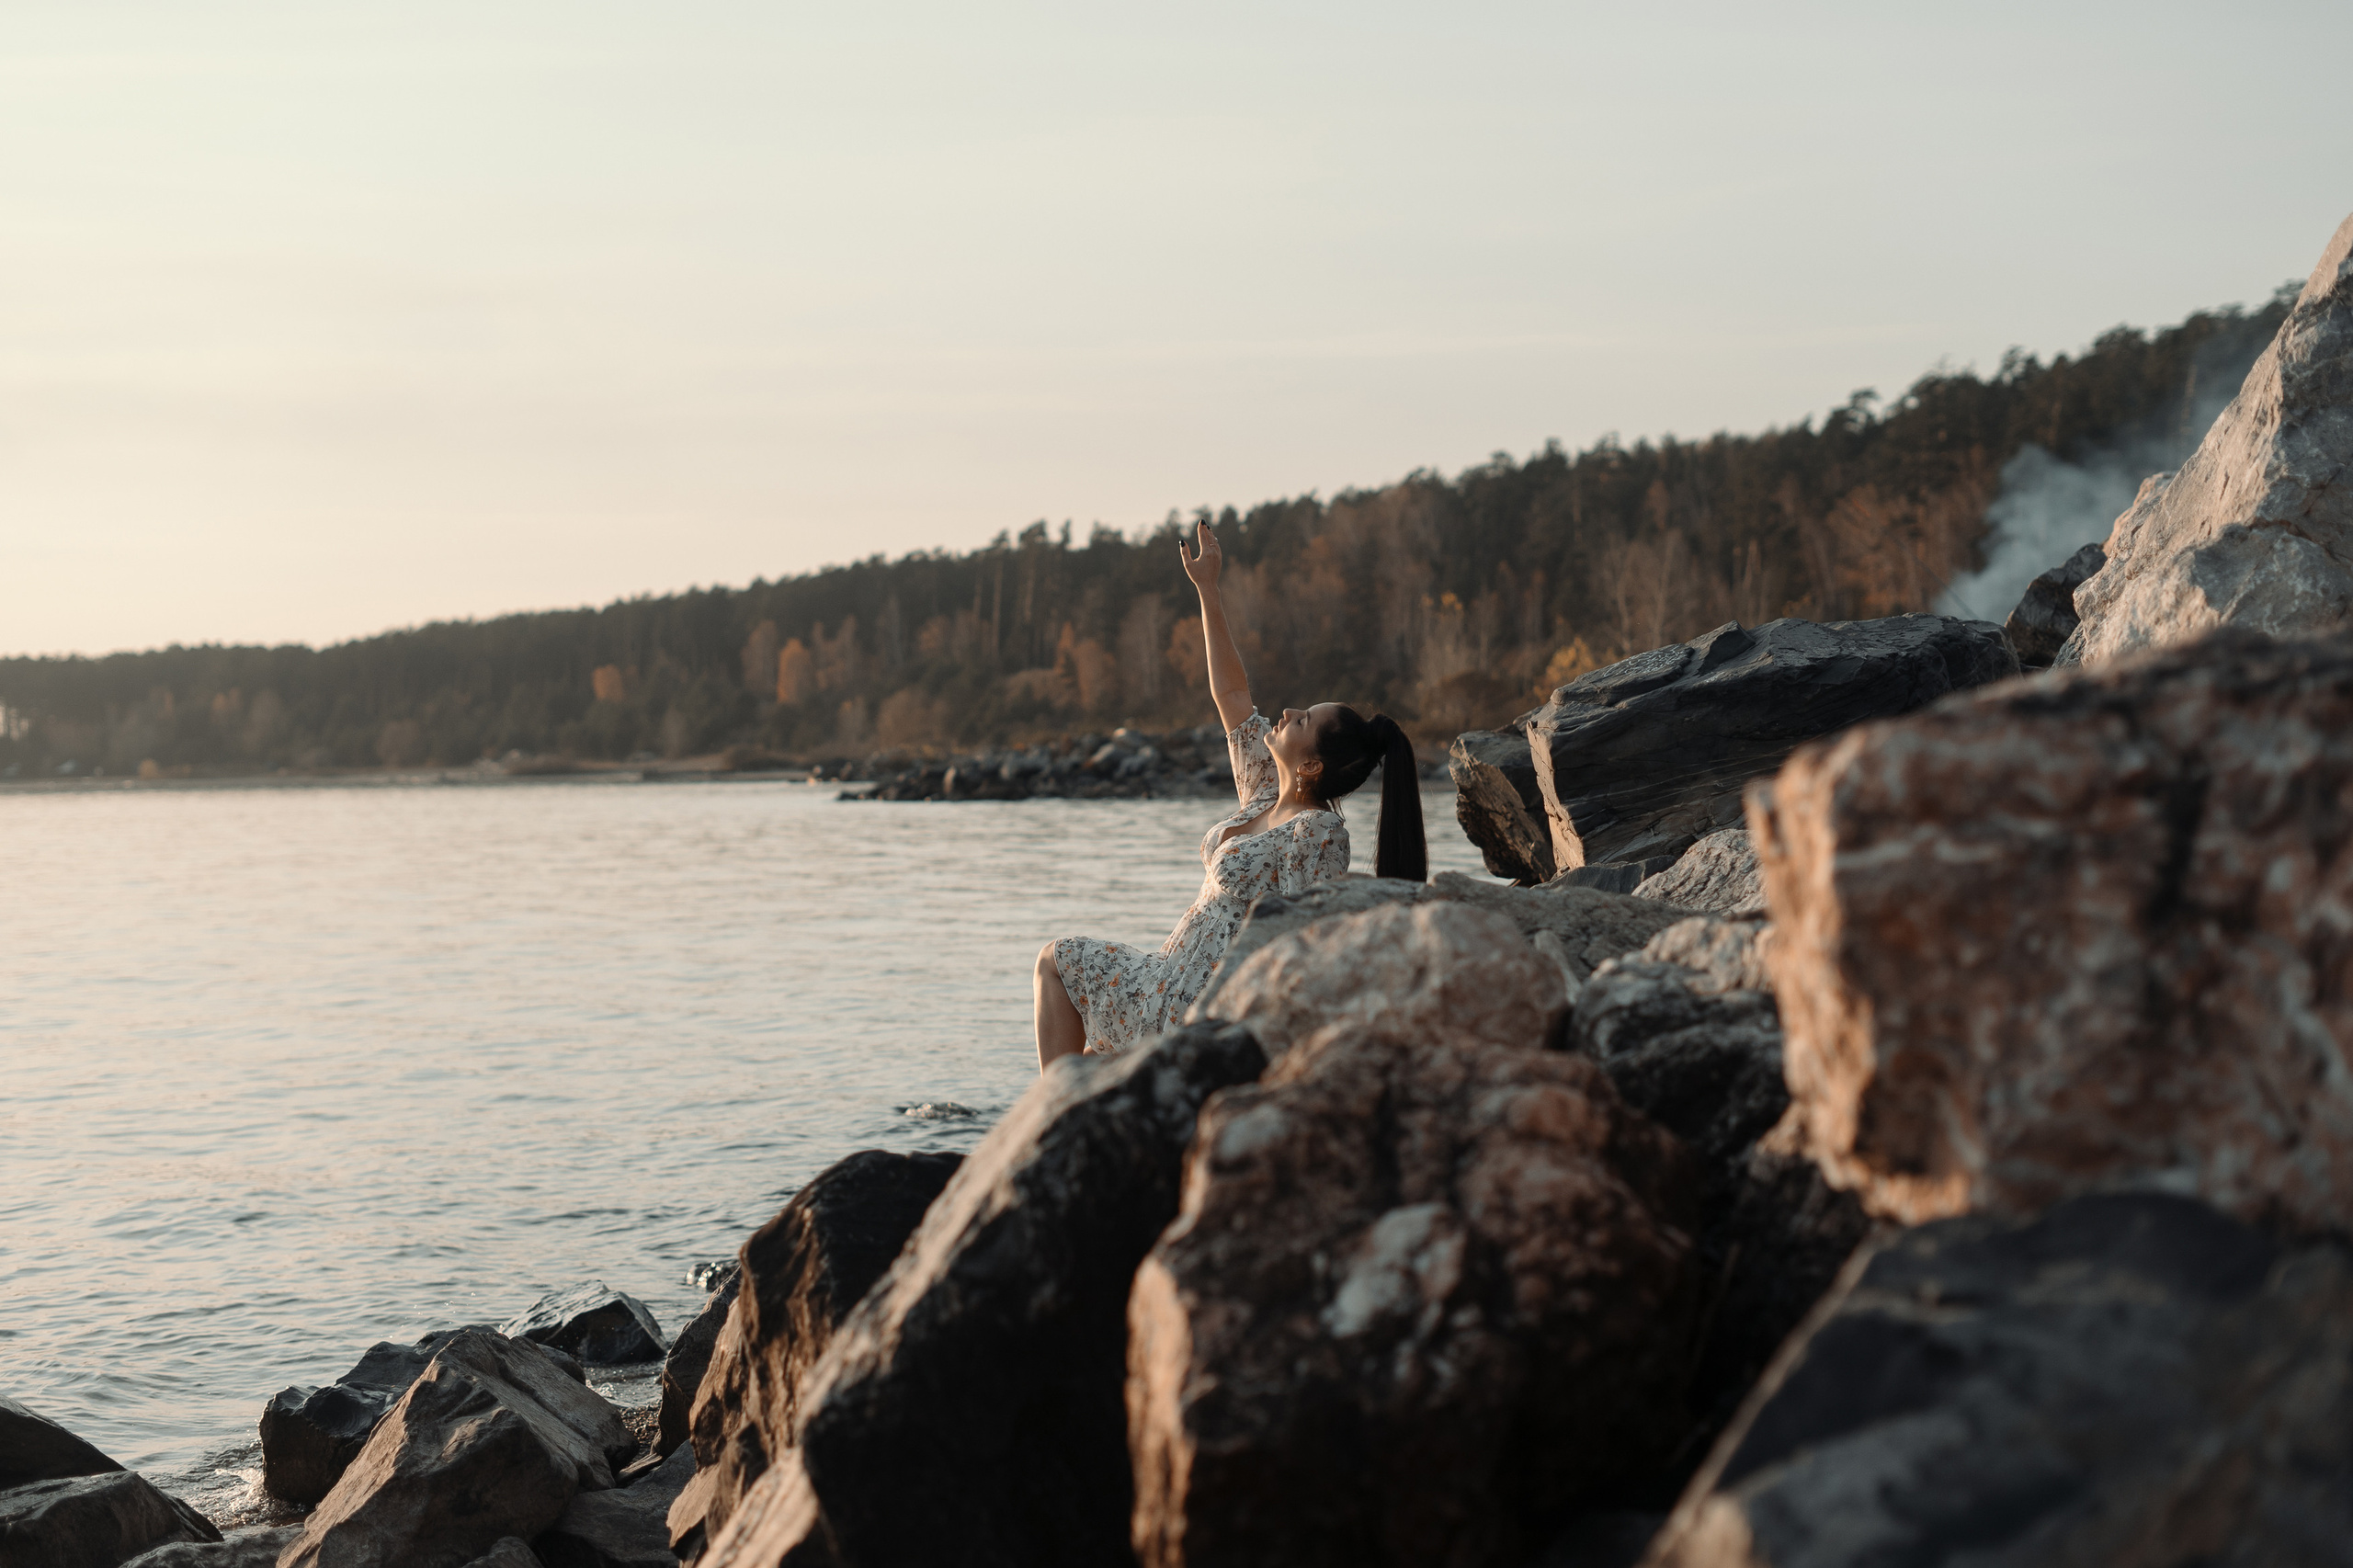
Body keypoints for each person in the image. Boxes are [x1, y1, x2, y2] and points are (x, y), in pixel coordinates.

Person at [1032, 518, 1427, 1070]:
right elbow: (1233, 694)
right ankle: (1059, 1106)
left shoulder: (1317, 832)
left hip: (1202, 1009)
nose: (1288, 711)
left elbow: (1300, 943)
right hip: (1162, 978)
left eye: (1303, 719)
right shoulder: (1264, 788)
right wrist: (1208, 590)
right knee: (1059, 963)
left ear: (1312, 765)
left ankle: (1059, 1110)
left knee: (1058, 963)